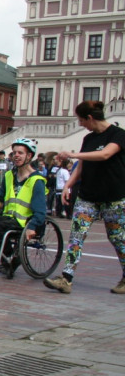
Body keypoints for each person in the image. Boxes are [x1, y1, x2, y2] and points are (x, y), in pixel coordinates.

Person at [44, 100, 125, 295]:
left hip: (113, 197)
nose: (80, 124)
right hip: (88, 197)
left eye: (81, 120)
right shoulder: (88, 139)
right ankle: (66, 278)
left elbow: (106, 154)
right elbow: (81, 166)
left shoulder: (118, 135)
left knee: (117, 238)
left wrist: (72, 153)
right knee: (76, 236)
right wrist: (68, 185)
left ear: (90, 118)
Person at [0, 138, 47, 272]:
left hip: (25, 221)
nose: (16, 155)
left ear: (29, 156)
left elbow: (40, 210)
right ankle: (7, 255)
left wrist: (32, 227)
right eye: (14, 153)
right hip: (8, 218)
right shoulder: (9, 175)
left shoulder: (37, 180)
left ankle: (8, 255)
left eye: (20, 153)